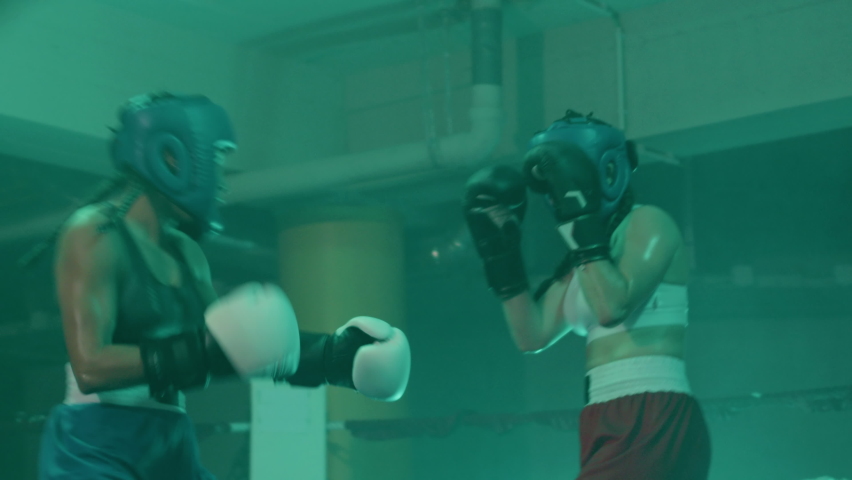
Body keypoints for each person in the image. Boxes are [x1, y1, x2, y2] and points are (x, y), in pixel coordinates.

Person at [26, 93, 410, 480]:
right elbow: (90, 366)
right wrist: (207, 352)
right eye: (216, 163)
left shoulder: (186, 252)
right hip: (96, 441)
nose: (223, 183)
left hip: (170, 437)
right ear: (172, 156)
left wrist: (332, 358)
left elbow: (236, 349)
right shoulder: (94, 233)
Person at [463, 110, 710, 479]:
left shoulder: (648, 222)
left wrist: (577, 218)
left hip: (652, 408)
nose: (556, 193)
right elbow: (532, 336)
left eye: (563, 178)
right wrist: (502, 253)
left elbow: (613, 306)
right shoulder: (581, 256)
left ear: (606, 171)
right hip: (603, 414)